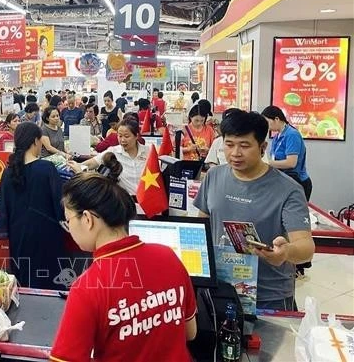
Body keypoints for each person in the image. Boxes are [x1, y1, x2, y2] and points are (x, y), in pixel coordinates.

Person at [50, 157, 197, 361]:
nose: (70, 228)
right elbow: (190, 332)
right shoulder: (168, 256)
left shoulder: (87, 288)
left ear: (87, 219)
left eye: (68, 220)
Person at [194, 111, 314, 310]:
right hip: (219, 289)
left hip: (268, 296)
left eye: (245, 145)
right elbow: (202, 226)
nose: (235, 153)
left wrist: (284, 253)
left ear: (262, 147)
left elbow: (306, 247)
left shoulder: (288, 189)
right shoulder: (214, 176)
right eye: (229, 144)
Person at [0, 122, 69, 290]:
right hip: (47, 238)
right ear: (36, 142)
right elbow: (61, 204)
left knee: (25, 283)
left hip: (19, 238)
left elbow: (3, 206)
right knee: (49, 283)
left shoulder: (8, 172)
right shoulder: (47, 168)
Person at [68, 118, 148, 196]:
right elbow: (93, 162)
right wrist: (77, 166)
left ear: (136, 136)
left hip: (149, 201)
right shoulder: (114, 151)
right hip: (125, 202)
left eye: (126, 136)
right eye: (120, 136)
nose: (122, 140)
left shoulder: (149, 152)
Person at [261, 106, 312, 200]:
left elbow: (291, 163)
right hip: (283, 181)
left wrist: (266, 163)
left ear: (276, 119)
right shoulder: (277, 137)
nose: (266, 126)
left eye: (267, 122)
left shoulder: (292, 134)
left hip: (297, 182)